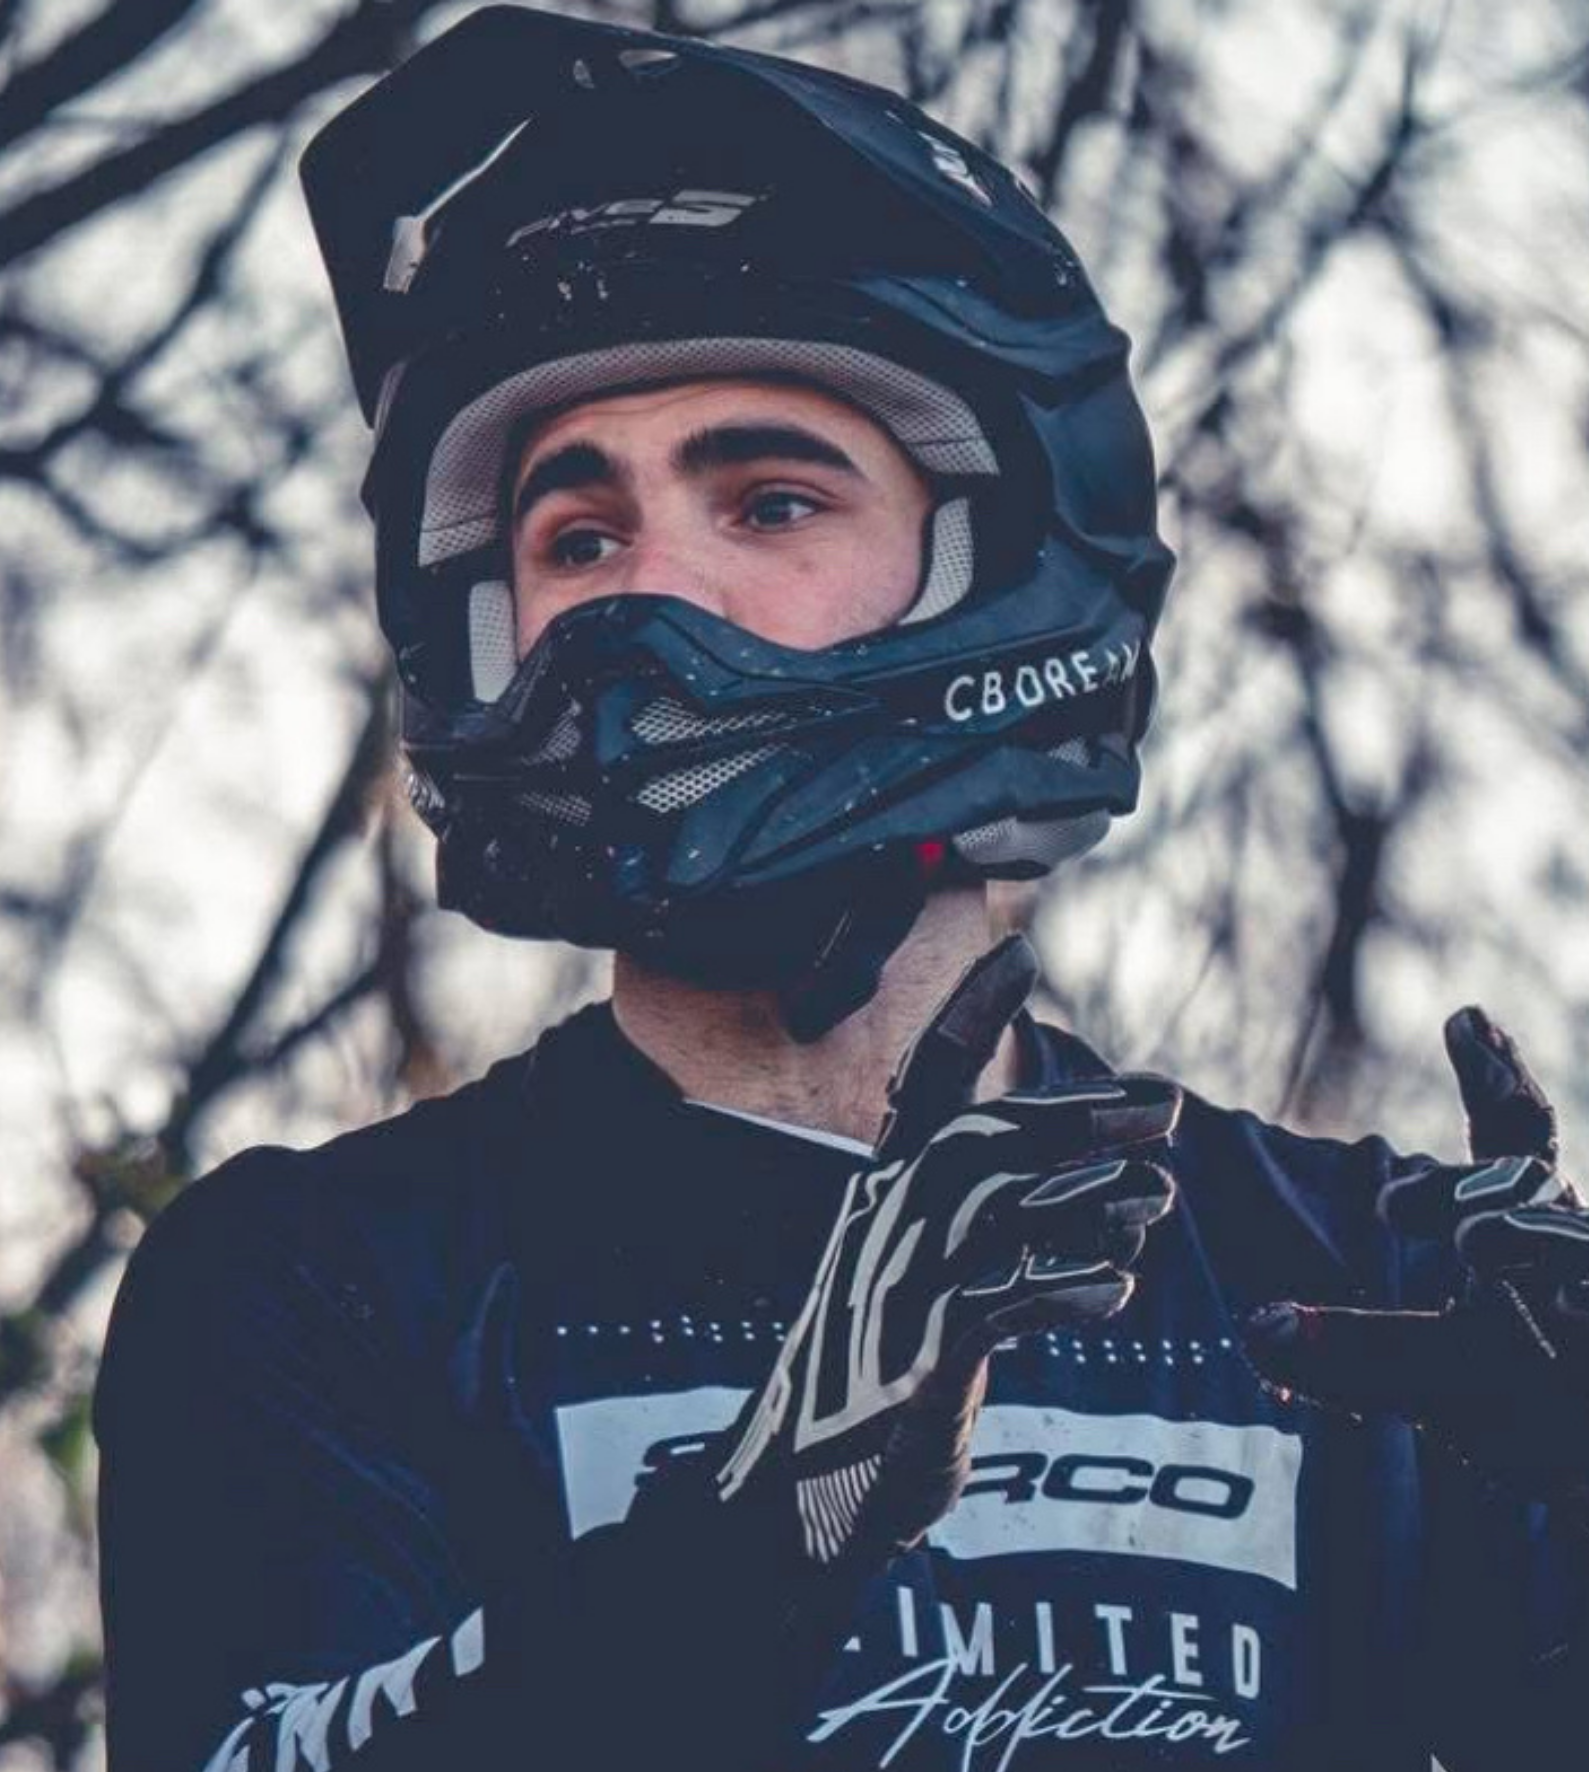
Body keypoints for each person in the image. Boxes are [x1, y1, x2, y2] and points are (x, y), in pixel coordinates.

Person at [92, 10, 1589, 1770]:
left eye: (773, 502)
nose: (647, 594)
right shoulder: (318, 1287)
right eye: (578, 536)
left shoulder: (1372, 1285)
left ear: (990, 565)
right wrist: (751, 1548)